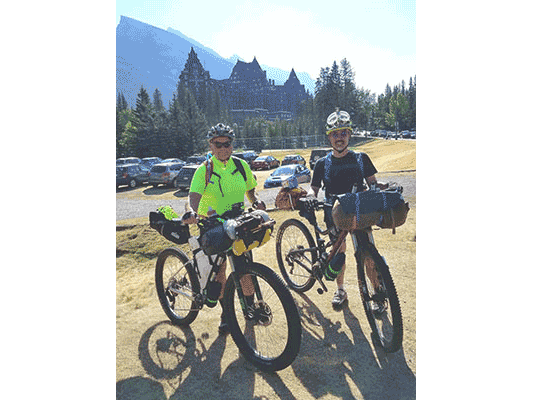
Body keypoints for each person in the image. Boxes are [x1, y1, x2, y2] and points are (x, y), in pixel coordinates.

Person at [183, 123, 266, 333]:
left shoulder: (240, 165)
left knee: (245, 270)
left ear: (232, 144)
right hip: (212, 224)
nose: (223, 148)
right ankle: (226, 314)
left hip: (238, 222)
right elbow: (194, 196)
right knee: (219, 273)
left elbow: (250, 191)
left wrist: (256, 202)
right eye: (218, 144)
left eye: (227, 144)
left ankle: (249, 308)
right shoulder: (204, 170)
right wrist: (194, 212)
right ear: (210, 145)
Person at [310, 110, 388, 308]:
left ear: (349, 134)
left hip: (360, 213)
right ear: (329, 137)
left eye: (343, 133)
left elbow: (373, 183)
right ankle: (341, 290)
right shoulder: (321, 164)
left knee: (369, 255)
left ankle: (378, 292)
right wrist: (310, 198)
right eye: (335, 134)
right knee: (339, 255)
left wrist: (386, 187)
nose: (339, 138)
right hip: (334, 215)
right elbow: (314, 189)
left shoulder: (361, 158)